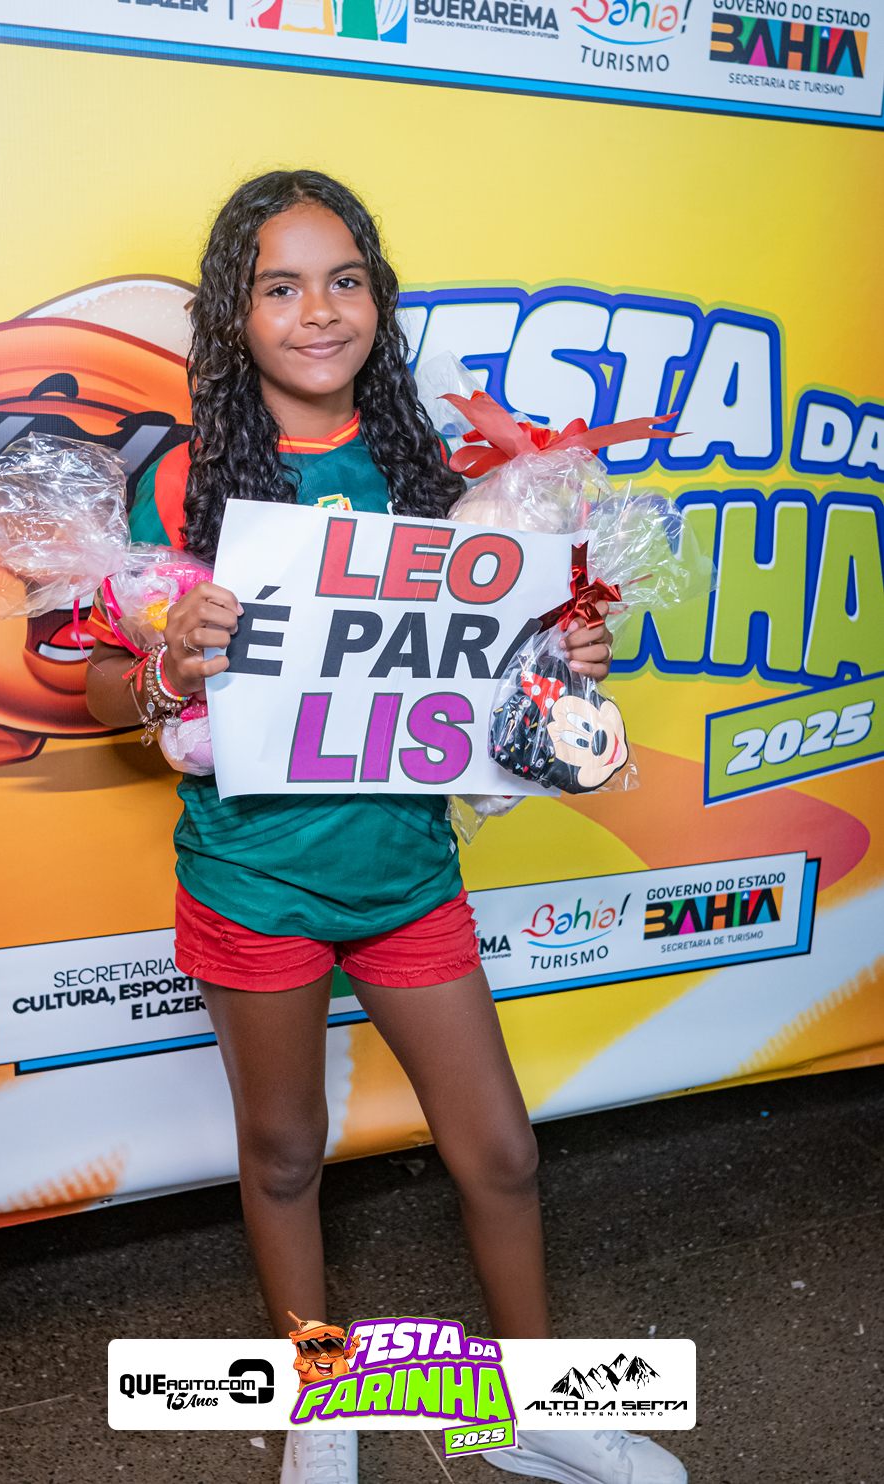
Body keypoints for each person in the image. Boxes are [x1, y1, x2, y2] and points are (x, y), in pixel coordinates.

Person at [84, 169, 688, 1484]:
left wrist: (560, 657)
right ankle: (322, 1404)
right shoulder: (180, 480)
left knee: (501, 1153)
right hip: (252, 879)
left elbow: (499, 692)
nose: (319, 311)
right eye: (281, 286)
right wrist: (168, 667)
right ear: (234, 315)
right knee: (284, 1156)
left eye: (345, 280)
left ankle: (532, 1409)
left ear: (379, 298)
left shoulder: (436, 475)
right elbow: (95, 686)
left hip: (408, 870)